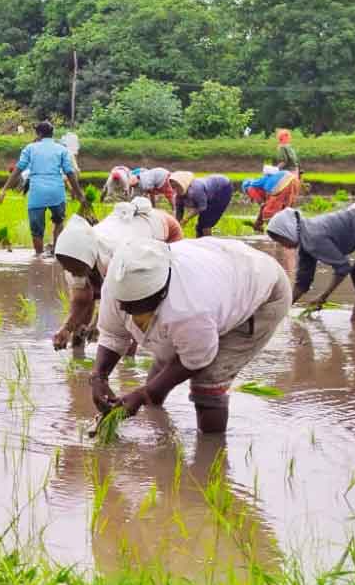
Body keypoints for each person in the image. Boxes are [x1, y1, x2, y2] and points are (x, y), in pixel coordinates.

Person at [89, 238, 291, 434]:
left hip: (262, 291)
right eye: (123, 303)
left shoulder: (190, 309)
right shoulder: (119, 285)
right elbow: (113, 335)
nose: (126, 309)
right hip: (223, 270)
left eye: (136, 305)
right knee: (162, 365)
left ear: (160, 293)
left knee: (208, 382)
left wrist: (145, 393)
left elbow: (197, 359)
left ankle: (211, 450)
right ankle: (156, 426)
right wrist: (99, 376)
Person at [53, 198, 183, 352]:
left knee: (141, 302)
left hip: (164, 230)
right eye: (65, 266)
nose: (70, 271)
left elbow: (128, 304)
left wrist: (98, 324)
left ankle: (135, 358)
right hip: (126, 230)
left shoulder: (117, 258)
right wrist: (66, 329)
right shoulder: (74, 258)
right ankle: (78, 350)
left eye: (74, 268)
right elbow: (81, 300)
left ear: (87, 260)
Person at [265, 206, 355, 324]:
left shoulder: (313, 237)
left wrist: (324, 296)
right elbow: (303, 283)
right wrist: (280, 310)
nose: (281, 245)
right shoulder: (306, 241)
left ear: (287, 230)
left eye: (280, 239)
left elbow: (343, 267)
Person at [0, 121, 85, 256]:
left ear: (38, 134)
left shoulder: (30, 148)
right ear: (52, 134)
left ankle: (39, 256)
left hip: (37, 193)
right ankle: (56, 253)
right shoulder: (61, 149)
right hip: (57, 192)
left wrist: (4, 189)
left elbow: (18, 169)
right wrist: (79, 194)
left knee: (36, 231)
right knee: (58, 222)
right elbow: (69, 172)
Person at [169, 171, 234, 238]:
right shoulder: (177, 196)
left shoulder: (196, 190)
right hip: (209, 193)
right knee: (199, 227)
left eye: (177, 186)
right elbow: (179, 212)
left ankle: (208, 242)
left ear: (183, 183)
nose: (175, 189)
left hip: (223, 188)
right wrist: (176, 225)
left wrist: (186, 219)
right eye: (173, 187)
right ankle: (200, 242)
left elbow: (202, 207)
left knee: (206, 224)